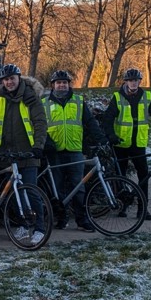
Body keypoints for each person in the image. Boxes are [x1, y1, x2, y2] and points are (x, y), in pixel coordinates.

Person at [0, 63, 48, 245]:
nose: (9, 82)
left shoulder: (31, 97)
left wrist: (38, 146)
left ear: (19, 78)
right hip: (5, 152)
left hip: (28, 152)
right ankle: (22, 224)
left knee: (31, 191)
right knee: (12, 192)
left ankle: (39, 227)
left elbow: (40, 122)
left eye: (12, 79)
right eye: (5, 80)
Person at [100, 68, 151, 219]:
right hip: (121, 144)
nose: (133, 83)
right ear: (126, 82)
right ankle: (123, 205)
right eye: (130, 80)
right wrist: (111, 136)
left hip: (138, 144)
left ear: (139, 81)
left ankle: (143, 209)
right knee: (120, 177)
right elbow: (107, 119)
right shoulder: (117, 97)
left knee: (143, 176)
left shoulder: (146, 96)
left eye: (136, 80)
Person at [42, 69, 108, 231]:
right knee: (57, 188)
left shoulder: (78, 101)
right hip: (54, 152)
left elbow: (90, 122)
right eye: (58, 82)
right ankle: (62, 218)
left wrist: (101, 138)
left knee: (78, 187)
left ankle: (82, 219)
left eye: (64, 83)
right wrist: (46, 142)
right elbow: (39, 126)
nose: (62, 85)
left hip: (74, 150)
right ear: (53, 85)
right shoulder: (44, 103)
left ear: (68, 85)